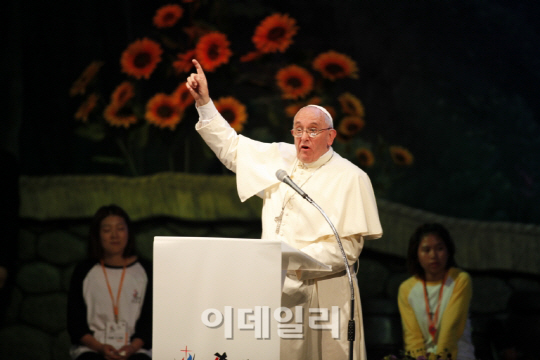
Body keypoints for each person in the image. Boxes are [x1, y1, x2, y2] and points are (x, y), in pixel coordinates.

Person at [187, 59, 383, 360]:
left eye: (314, 131)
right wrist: (205, 103)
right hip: (276, 289)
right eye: (299, 130)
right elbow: (231, 148)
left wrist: (296, 261)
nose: (304, 137)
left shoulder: (352, 177)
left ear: (331, 136)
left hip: (324, 293)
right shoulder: (280, 158)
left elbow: (348, 248)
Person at [67, 205, 152, 360]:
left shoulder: (146, 270)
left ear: (128, 232)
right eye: (107, 230)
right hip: (92, 348)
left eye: (120, 229)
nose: (114, 235)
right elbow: (75, 323)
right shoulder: (84, 270)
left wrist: (132, 347)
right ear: (97, 235)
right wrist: (99, 347)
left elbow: (150, 321)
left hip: (135, 349)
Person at [397, 223, 475, 360]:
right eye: (426, 250)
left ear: (448, 250)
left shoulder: (460, 280)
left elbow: (450, 330)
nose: (433, 255)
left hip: (458, 355)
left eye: (439, 249)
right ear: (416, 254)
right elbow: (412, 338)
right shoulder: (406, 289)